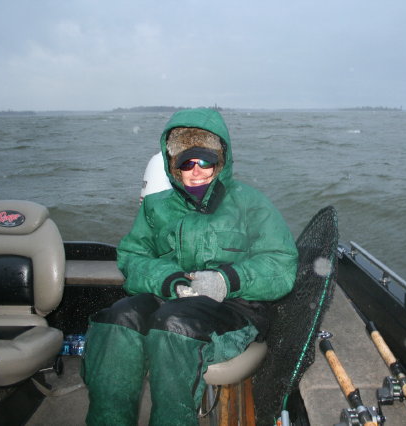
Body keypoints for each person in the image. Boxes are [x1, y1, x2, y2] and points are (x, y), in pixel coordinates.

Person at [81, 108, 299, 425]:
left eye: (205, 161)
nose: (196, 171)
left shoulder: (252, 203)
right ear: (173, 167)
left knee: (174, 325)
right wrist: (169, 280)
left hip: (235, 307)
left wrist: (226, 281)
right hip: (171, 297)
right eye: (186, 162)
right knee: (117, 319)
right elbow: (131, 256)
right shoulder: (155, 206)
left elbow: (281, 264)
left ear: (220, 161)